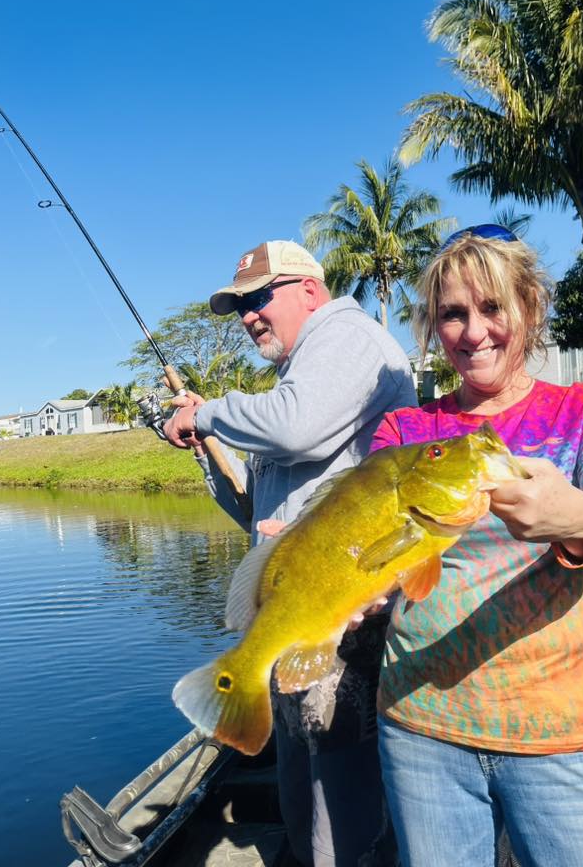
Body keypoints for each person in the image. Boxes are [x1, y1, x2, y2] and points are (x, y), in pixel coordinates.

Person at [370, 224, 583, 867]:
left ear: (529, 306)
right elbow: (383, 552)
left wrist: (571, 515)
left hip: (562, 732)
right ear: (432, 326)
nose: (474, 332)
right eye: (452, 314)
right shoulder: (407, 429)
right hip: (420, 729)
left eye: (493, 307)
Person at [163, 239, 416, 867]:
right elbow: (255, 511)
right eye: (240, 306)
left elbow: (295, 424)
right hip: (296, 611)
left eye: (258, 298)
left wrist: (209, 412)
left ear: (309, 288)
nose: (249, 315)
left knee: (340, 785)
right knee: (302, 782)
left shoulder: (347, 338)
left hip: (346, 613)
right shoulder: (295, 376)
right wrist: (206, 449)